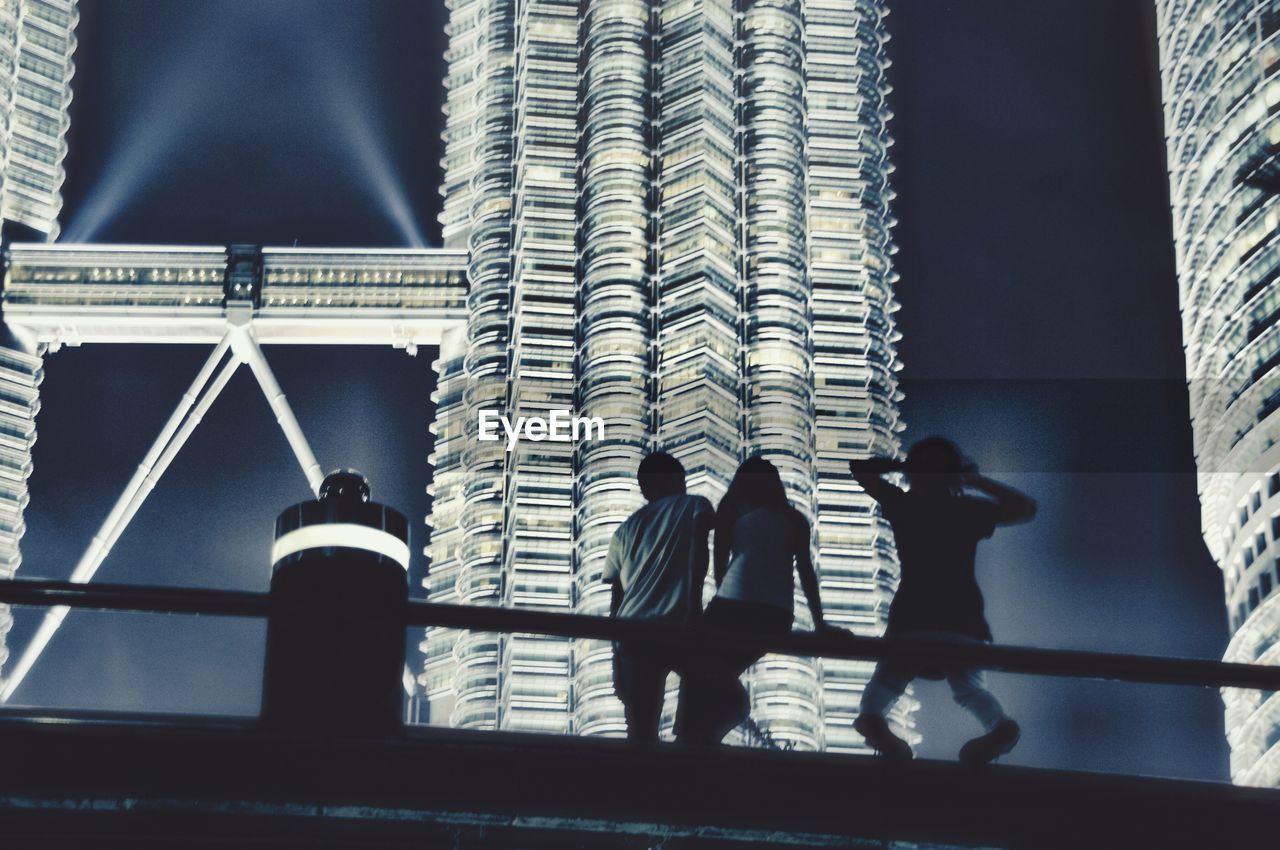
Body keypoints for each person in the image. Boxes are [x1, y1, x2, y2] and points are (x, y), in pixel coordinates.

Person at [849, 437, 1036, 765]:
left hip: (912, 618)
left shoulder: (904, 505)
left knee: (887, 682)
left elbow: (860, 470)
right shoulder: (967, 510)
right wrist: (975, 480)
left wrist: (905, 467)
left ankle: (875, 724)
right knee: (971, 691)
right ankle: (1000, 727)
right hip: (963, 619)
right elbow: (1026, 509)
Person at [678, 456, 827, 745]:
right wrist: (820, 623)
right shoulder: (794, 518)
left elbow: (719, 561)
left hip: (735, 606)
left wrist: (708, 604)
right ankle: (707, 733)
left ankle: (700, 732)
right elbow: (806, 573)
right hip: (772, 612)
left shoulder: (734, 510)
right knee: (710, 673)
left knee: (699, 669)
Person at [604, 451, 714, 742]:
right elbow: (699, 552)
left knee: (640, 727)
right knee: (716, 695)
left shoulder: (625, 529)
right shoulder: (695, 505)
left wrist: (616, 661)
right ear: (676, 478)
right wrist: (694, 608)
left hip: (631, 632)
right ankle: (684, 749)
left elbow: (616, 601)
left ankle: (644, 780)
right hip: (676, 627)